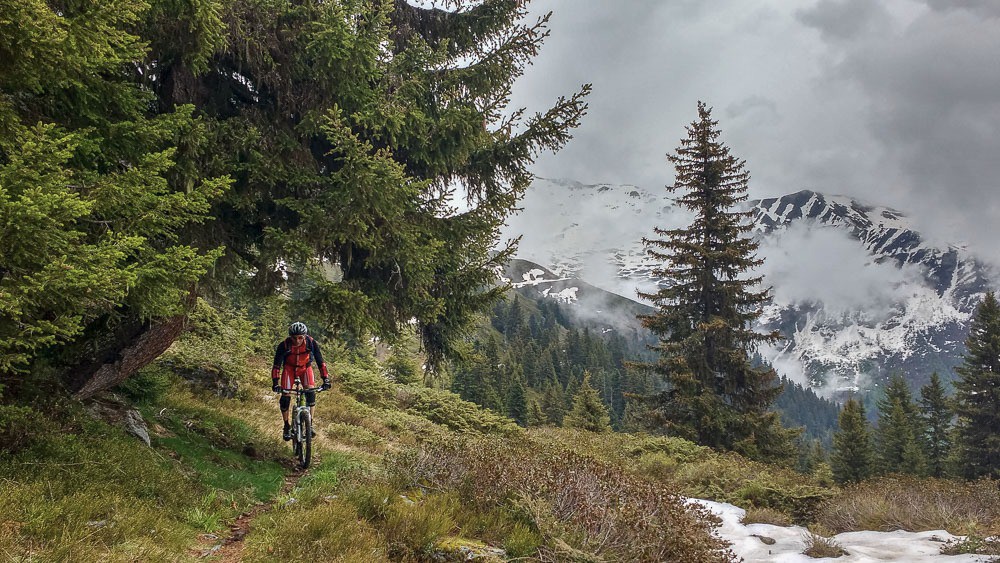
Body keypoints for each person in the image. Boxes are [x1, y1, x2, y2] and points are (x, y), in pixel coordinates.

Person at [272, 322, 331, 440]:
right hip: (289, 369)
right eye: (294, 338)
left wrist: (326, 379)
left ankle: (310, 424)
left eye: (300, 337)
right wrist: (275, 383)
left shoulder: (311, 342)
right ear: (290, 337)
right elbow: (276, 366)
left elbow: (320, 361)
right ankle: (286, 426)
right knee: (285, 396)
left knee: (310, 392)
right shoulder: (284, 345)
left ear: (304, 336)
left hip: (305, 368)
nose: (297, 340)